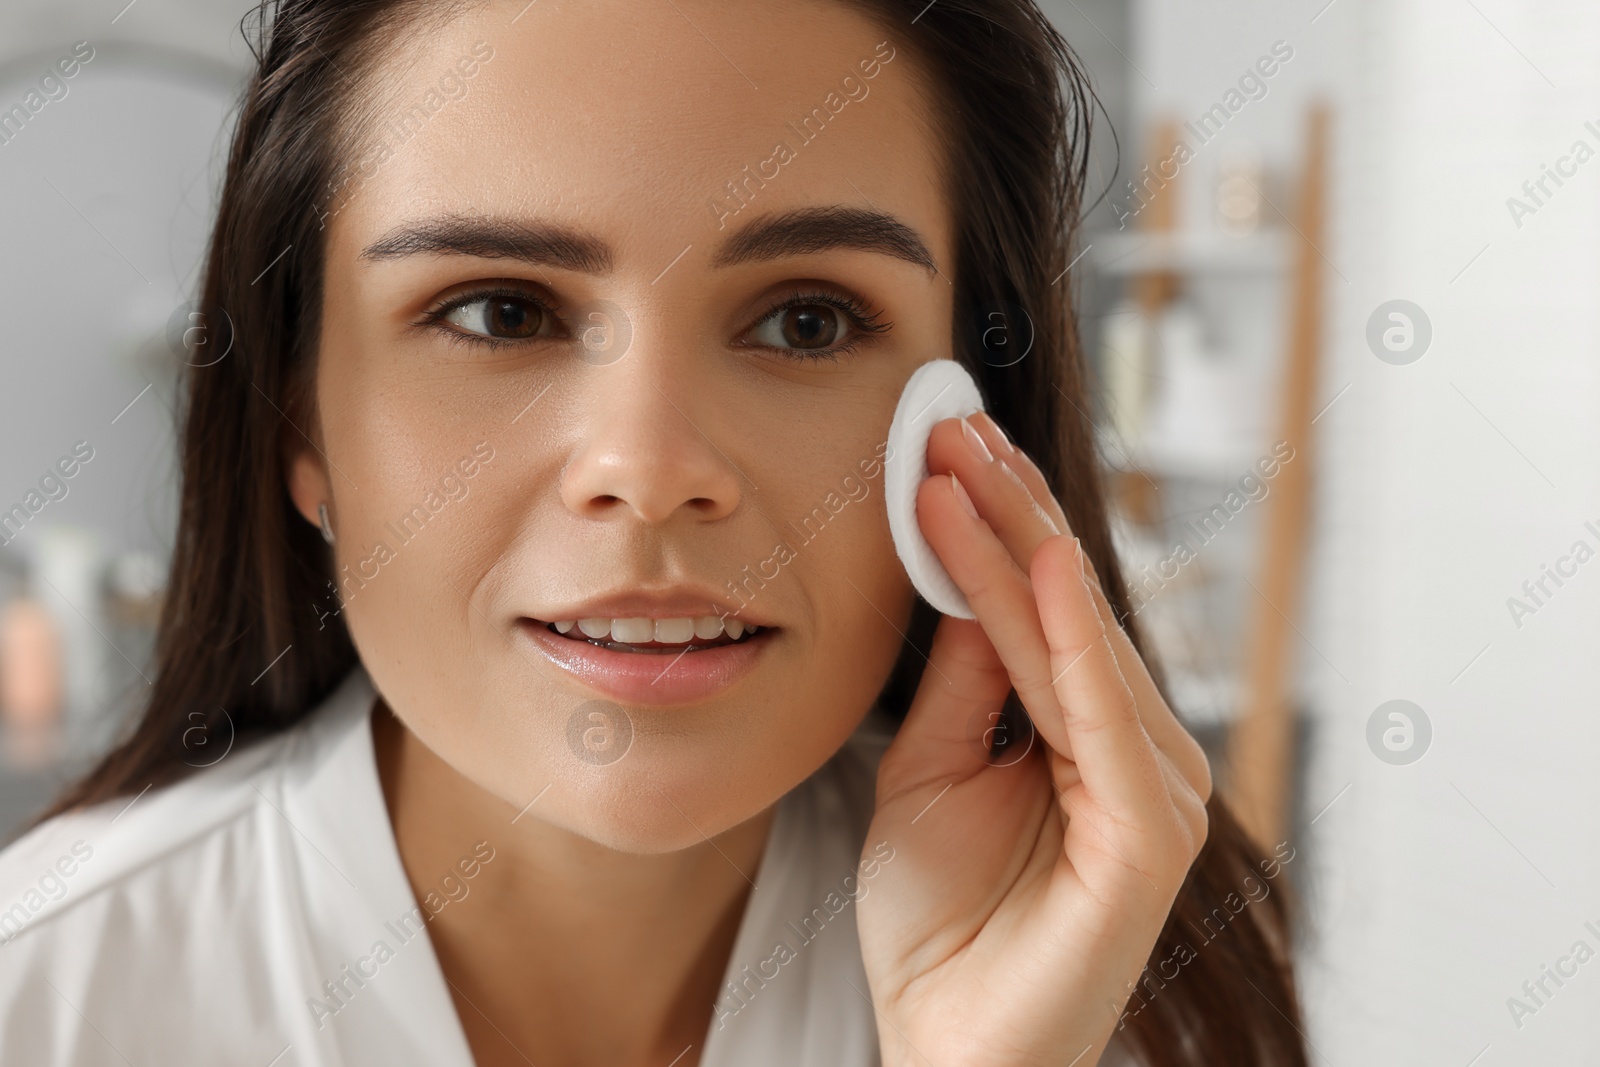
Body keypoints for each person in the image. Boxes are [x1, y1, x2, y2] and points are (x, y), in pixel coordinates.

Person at [0, 0, 1307, 1063]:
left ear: (968, 419)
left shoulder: (1123, 1012)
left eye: (806, 321)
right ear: (302, 424)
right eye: (502, 313)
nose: (650, 469)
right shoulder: (43, 1001)